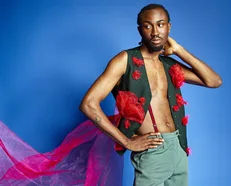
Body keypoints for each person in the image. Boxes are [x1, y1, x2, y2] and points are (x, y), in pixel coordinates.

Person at [79, 3, 222, 186]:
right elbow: (88, 104)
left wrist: (179, 50)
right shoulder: (125, 60)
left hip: (178, 147)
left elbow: (214, 81)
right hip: (152, 151)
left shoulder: (169, 64)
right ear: (140, 30)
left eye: (161, 24)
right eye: (148, 26)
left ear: (169, 27)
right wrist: (126, 142)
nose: (155, 32)